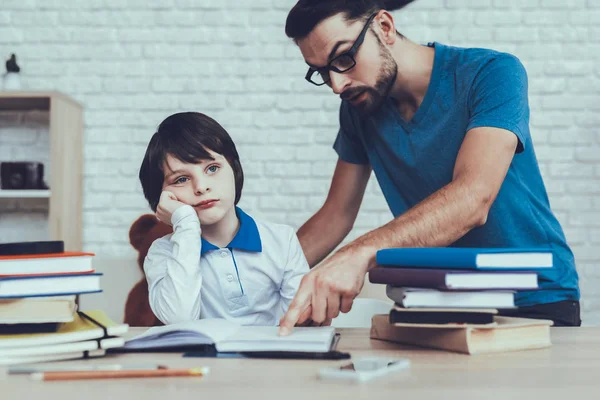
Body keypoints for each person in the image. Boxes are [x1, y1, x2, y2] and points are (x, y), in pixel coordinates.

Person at [278, 0, 581, 335]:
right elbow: (335, 215)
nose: (337, 85)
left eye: (344, 59)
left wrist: (358, 254)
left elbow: (473, 199)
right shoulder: (358, 109)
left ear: (385, 27)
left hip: (535, 299)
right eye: (322, 71)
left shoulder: (491, 72)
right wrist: (264, 275)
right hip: (439, 302)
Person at [139, 112, 309, 325]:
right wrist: (186, 222)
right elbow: (179, 320)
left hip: (272, 357)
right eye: (181, 179)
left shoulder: (281, 240)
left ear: (234, 169)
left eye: (212, 168)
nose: (201, 187)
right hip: (202, 359)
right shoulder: (162, 252)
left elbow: (299, 323)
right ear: (163, 197)